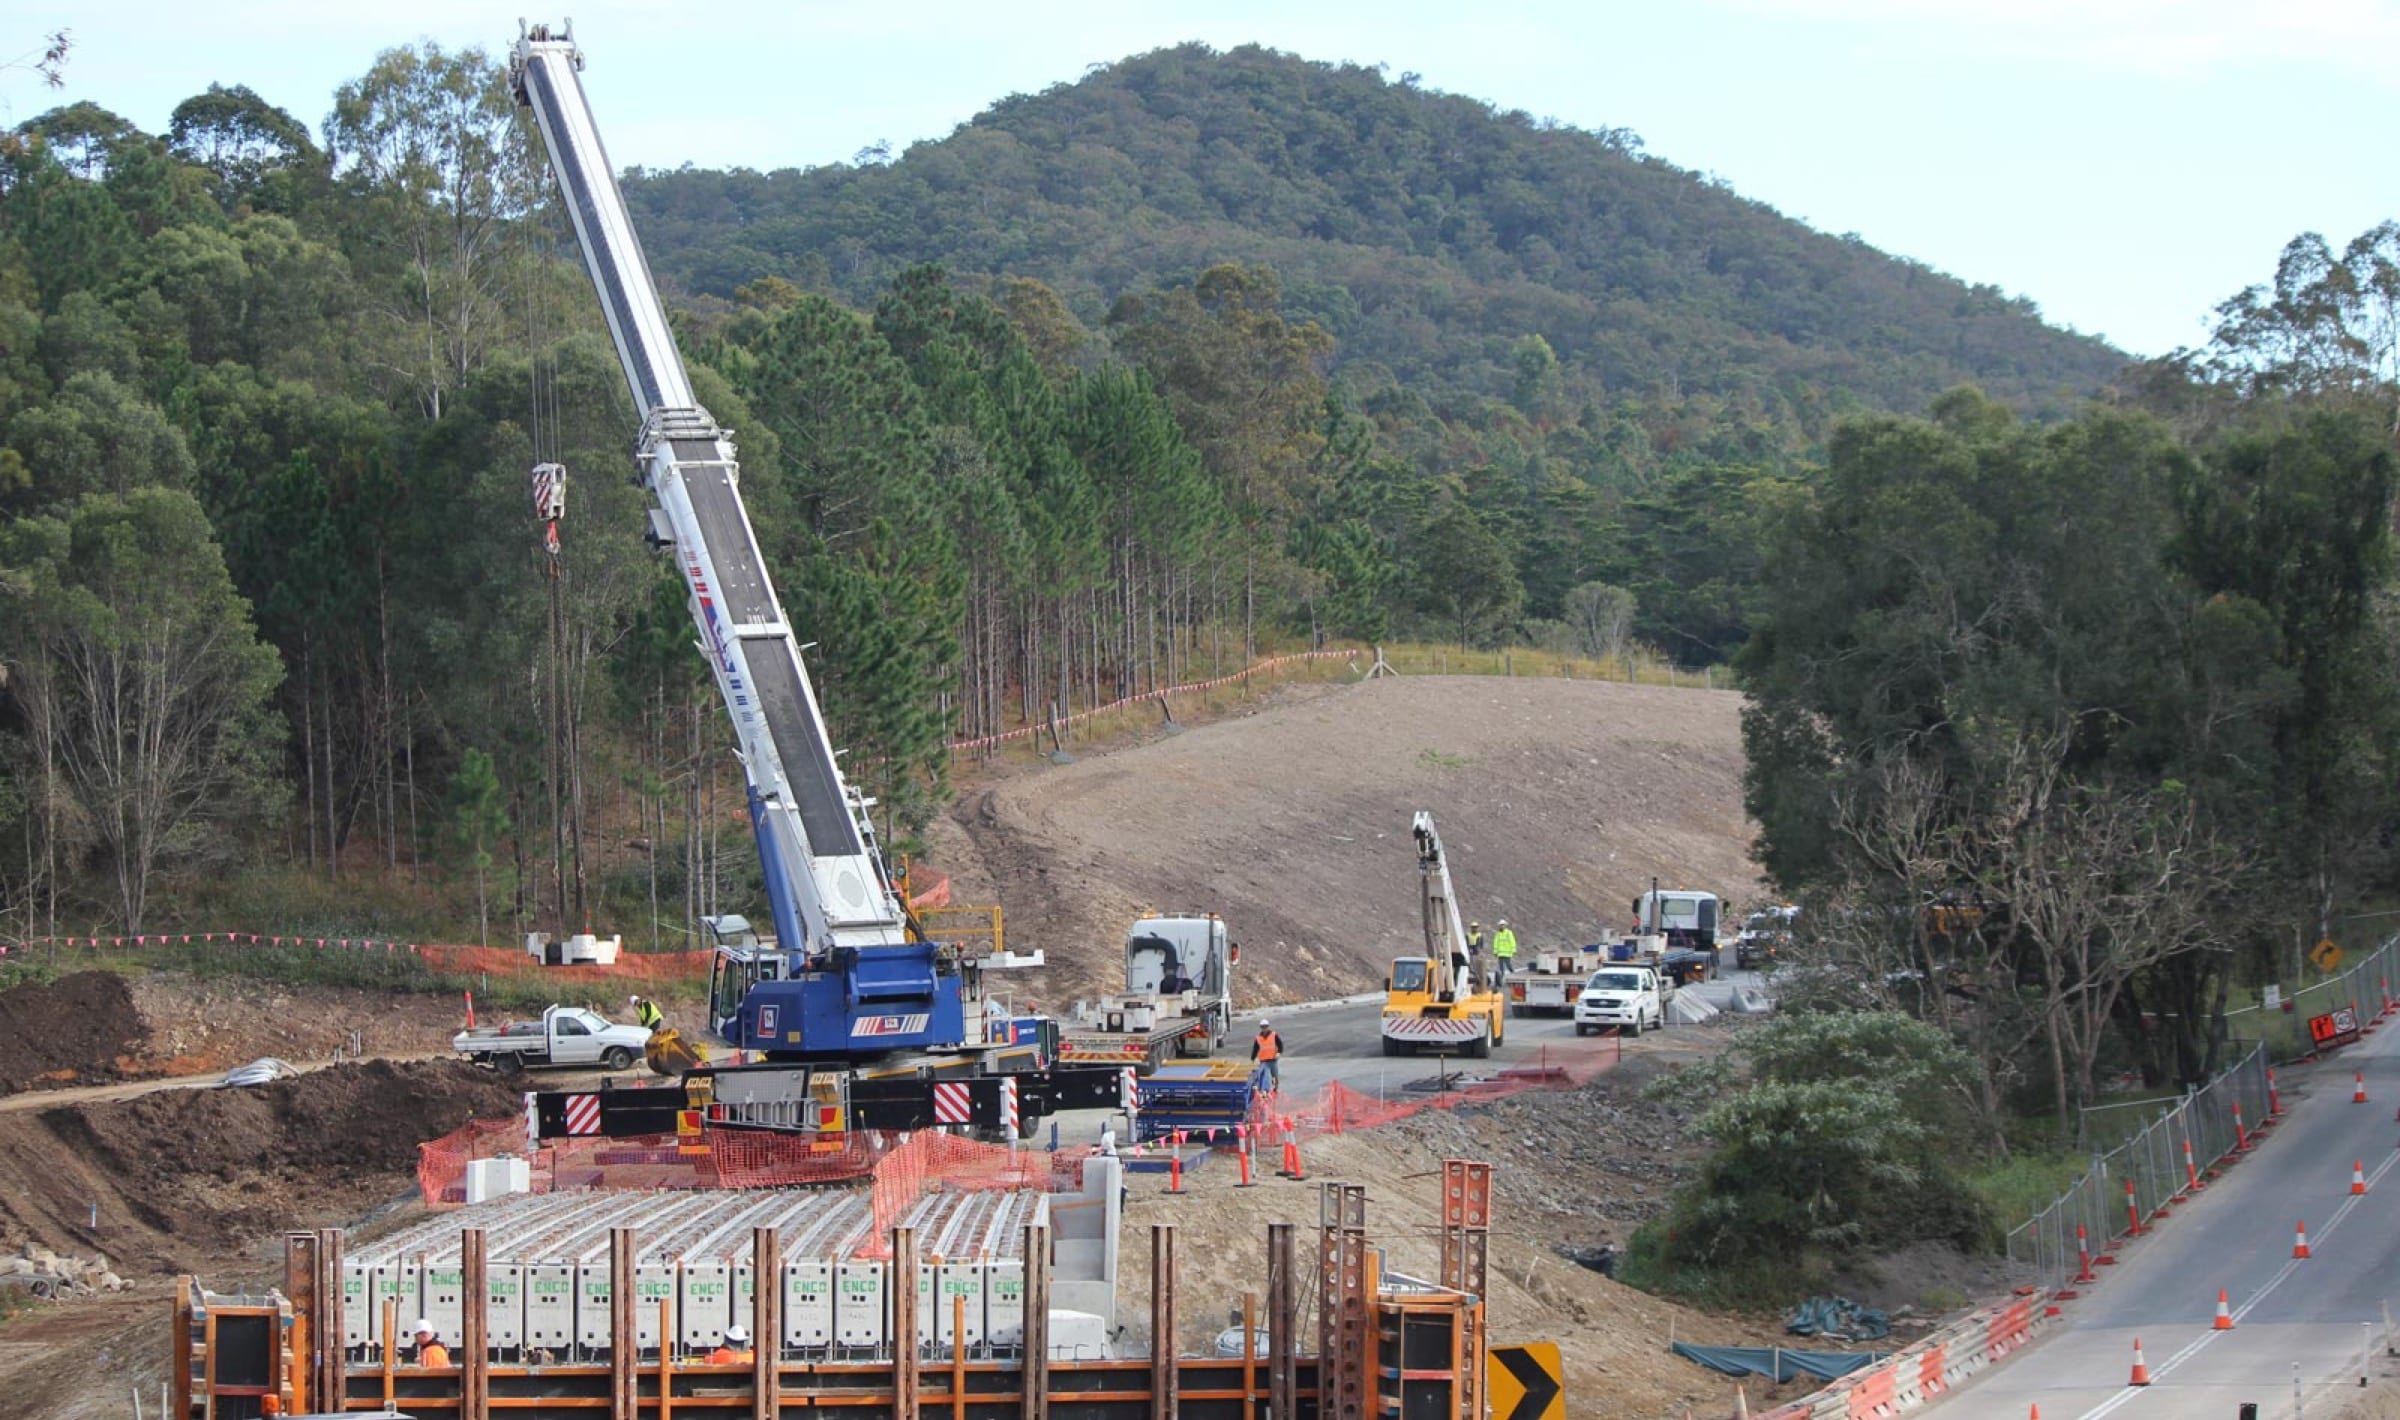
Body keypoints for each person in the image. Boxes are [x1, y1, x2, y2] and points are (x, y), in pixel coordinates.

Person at [1250, 1021, 1284, 1092]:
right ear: (1260, 1028)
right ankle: (1266, 1091)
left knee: (1274, 1076)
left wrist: (1279, 1053)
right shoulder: (1258, 1038)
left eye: (1265, 1027)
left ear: (1268, 1027)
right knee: (1266, 1077)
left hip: (1273, 1060)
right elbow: (1255, 1049)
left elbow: (1280, 1044)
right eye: (1262, 1027)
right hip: (1264, 1061)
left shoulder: (1274, 1035)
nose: (1264, 1028)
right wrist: (1253, 1058)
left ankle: (1275, 1089)